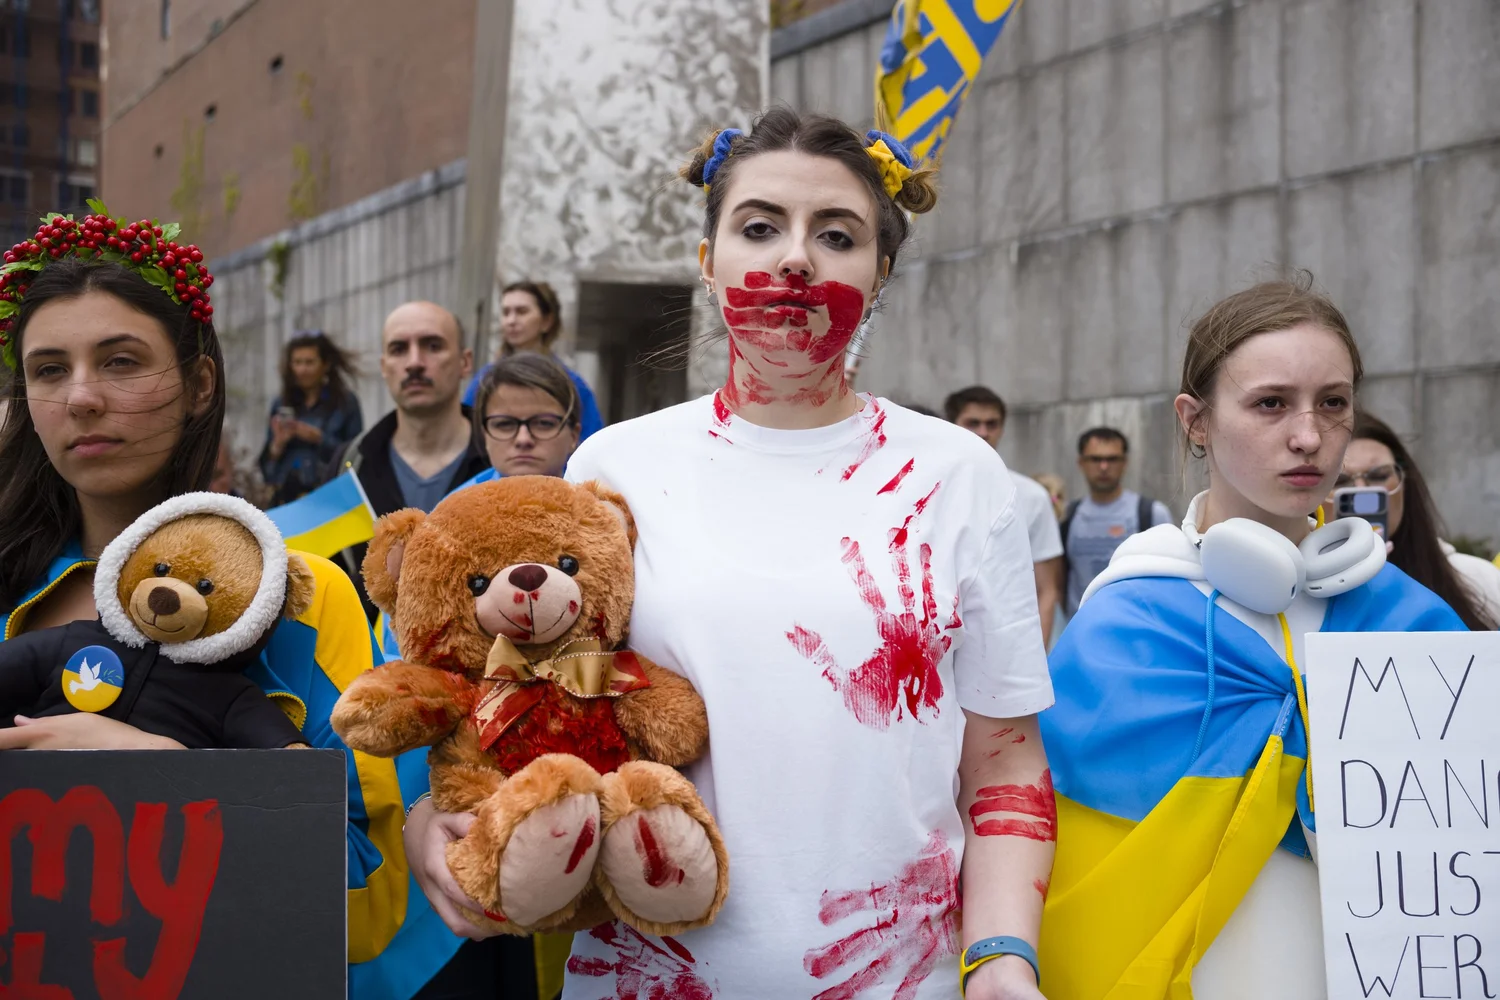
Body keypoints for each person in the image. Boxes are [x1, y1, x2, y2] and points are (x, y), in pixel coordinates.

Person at [407, 108, 1055, 1000]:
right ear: (708, 262)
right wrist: (432, 814)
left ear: (881, 274)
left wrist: (1003, 958)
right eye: (759, 227)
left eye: (837, 235)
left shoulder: (959, 475)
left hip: (905, 981)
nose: (796, 258)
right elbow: (511, 689)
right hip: (643, 977)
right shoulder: (612, 470)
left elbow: (1006, 762)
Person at [1038, 277, 1468, 1000]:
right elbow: (1065, 853)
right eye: (1270, 403)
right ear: (1195, 422)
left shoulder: (1411, 620)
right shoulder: (1125, 625)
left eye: (1333, 403)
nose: (1309, 437)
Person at [0, 233, 410, 981]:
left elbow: (368, 894)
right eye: (49, 370)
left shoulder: (305, 595)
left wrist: (170, 772)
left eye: (120, 361)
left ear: (199, 385)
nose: (81, 397)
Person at [332, 302, 489, 616]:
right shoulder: (350, 464)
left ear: (465, 362)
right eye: (399, 349)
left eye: (433, 346)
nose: (415, 362)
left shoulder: (502, 458)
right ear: (384, 366)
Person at [1340, 412, 1498, 629]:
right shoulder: (1297, 596)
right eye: (1340, 481)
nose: (1362, 492)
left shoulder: (1480, 579)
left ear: (1406, 482)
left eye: (1379, 476)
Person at [946, 385, 1065, 645]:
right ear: (952, 424)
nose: (983, 432)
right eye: (973, 423)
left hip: (1010, 641)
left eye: (992, 424)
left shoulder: (1031, 496)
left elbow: (1046, 590)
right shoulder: (932, 491)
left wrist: (1038, 657)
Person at [461, 281, 604, 441]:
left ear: (546, 321)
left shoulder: (572, 385)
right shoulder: (484, 380)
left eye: (522, 312)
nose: (511, 321)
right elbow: (465, 433)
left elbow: (592, 442)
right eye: (506, 312)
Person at [1060, 427, 1173, 616]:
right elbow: (1054, 584)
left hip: (1134, 625)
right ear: (1081, 463)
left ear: (1124, 463)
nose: (1104, 467)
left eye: (1112, 459)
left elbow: (1168, 580)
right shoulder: (1066, 516)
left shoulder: (1151, 513)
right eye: (1095, 459)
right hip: (1079, 626)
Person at [259, 330, 363, 506]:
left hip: (330, 499)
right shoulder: (281, 403)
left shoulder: (345, 403)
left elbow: (356, 457)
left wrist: (318, 438)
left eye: (309, 362)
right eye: (297, 362)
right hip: (286, 501)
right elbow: (266, 469)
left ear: (325, 364)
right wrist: (277, 445)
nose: (302, 370)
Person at [460, 351, 583, 489]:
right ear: (485, 435)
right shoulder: (456, 502)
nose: (523, 440)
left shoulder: (597, 500)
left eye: (544, 423)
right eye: (504, 424)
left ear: (574, 436)